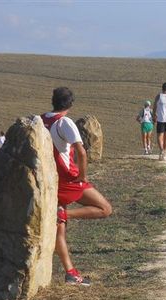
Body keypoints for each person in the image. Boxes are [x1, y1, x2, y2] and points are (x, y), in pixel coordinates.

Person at [41, 87, 112, 286]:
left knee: (59, 231)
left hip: (50, 179)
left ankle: (71, 273)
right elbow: (81, 152)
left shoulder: (41, 120)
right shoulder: (65, 122)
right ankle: (65, 214)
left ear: (53, 100)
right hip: (68, 179)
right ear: (70, 104)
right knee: (105, 209)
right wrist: (82, 177)